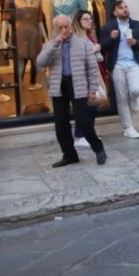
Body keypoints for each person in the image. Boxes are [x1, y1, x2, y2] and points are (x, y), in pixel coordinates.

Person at [38, 15, 105, 168]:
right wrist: (55, 44)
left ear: (70, 26)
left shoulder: (83, 44)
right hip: (59, 87)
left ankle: (98, 148)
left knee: (83, 121)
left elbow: (92, 69)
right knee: (61, 125)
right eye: (59, 28)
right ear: (55, 28)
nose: (63, 30)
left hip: (78, 86)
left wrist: (92, 90)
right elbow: (40, 63)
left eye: (65, 27)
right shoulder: (50, 45)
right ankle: (69, 155)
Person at [99, 0, 139, 139]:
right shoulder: (108, 27)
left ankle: (134, 97)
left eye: (126, 7)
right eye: (121, 8)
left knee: (137, 89)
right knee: (121, 98)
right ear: (115, 12)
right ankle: (128, 128)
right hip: (117, 65)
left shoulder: (137, 25)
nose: (124, 9)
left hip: (133, 63)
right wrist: (111, 38)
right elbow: (102, 46)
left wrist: (136, 42)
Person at [72, 9, 107, 149]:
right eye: (85, 19)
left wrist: (98, 53)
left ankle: (89, 134)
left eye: (90, 19)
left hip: (94, 73)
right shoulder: (76, 38)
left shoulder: (90, 36)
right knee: (84, 107)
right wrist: (94, 50)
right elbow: (78, 56)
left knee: (93, 105)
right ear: (78, 22)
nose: (89, 21)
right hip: (83, 76)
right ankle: (79, 136)